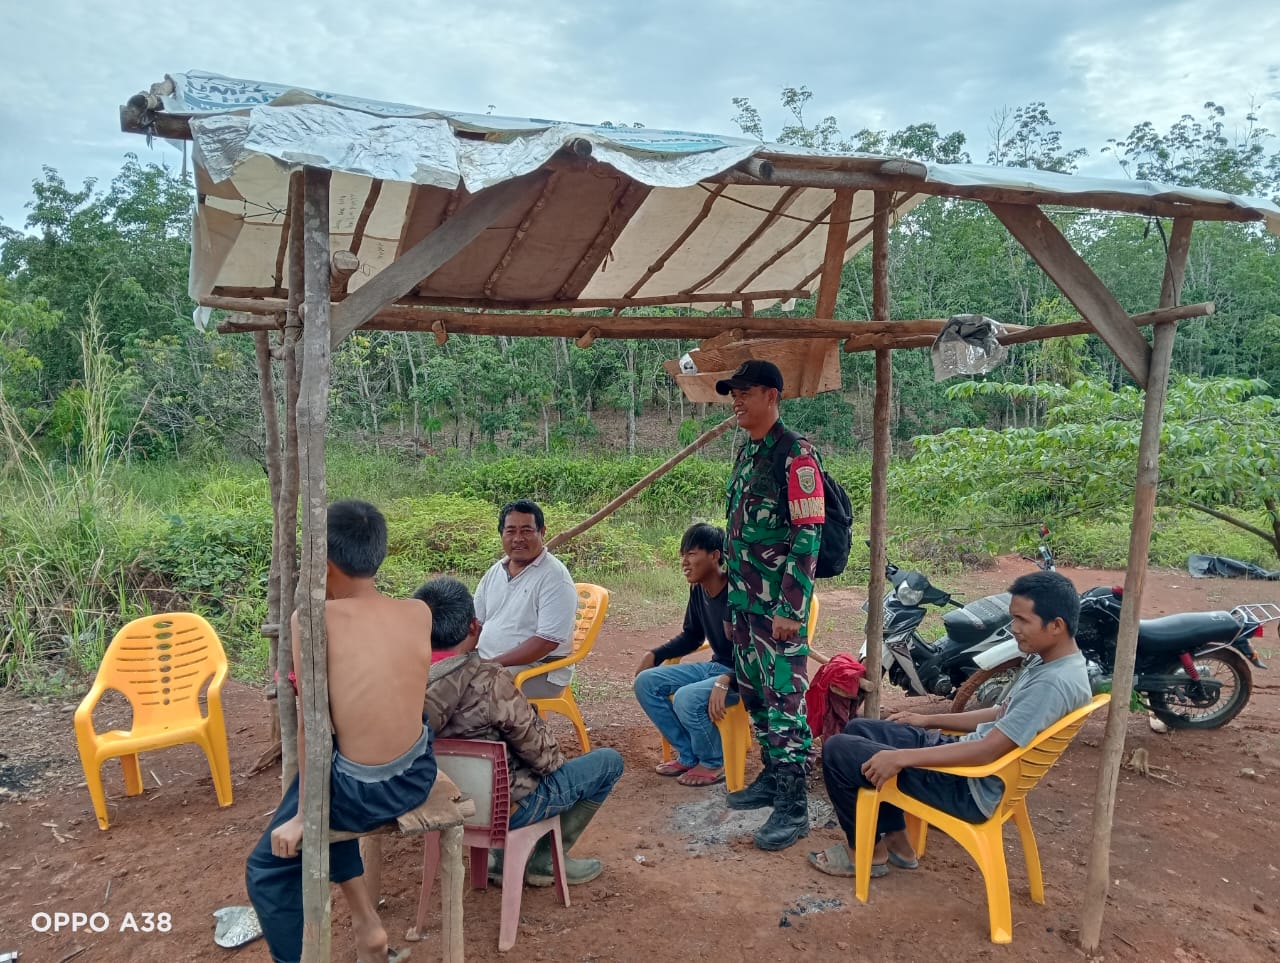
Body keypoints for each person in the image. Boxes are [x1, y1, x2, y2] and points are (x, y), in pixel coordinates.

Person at [245, 500, 436, 963]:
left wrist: (304, 816)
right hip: (416, 775)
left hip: (362, 795)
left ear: (322, 563)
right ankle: (367, 923)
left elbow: (312, 729)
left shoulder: (312, 621)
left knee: (266, 871)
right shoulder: (419, 612)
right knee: (339, 768)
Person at [811, 570, 1092, 879]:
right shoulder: (1055, 664)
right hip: (973, 767)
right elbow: (1000, 713)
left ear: (1056, 626)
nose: (1014, 628)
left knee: (838, 750)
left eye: (1022, 620)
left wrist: (901, 757)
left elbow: (987, 751)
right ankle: (897, 842)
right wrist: (927, 719)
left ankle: (867, 854)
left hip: (969, 787)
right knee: (860, 729)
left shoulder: (1051, 684)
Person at [418, 575, 624, 886]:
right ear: (474, 627)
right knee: (608, 762)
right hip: (508, 809)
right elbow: (544, 758)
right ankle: (546, 860)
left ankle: (498, 858)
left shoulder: (403, 678)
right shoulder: (489, 681)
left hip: (442, 806)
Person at [717, 359, 825, 851]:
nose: (737, 401)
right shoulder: (748, 452)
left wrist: (791, 609)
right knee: (755, 696)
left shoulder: (796, 455)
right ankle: (771, 775)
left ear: (772, 396)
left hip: (777, 609)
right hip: (745, 605)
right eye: (733, 393)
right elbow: (738, 531)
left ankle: (793, 806)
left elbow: (808, 537)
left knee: (784, 702)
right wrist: (732, 601)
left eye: (746, 392)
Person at [633, 522, 738, 787]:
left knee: (686, 697)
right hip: (716, 668)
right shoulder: (699, 590)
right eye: (683, 555)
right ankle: (689, 754)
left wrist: (727, 679)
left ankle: (713, 761)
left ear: (715, 555)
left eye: (691, 554)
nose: (684, 562)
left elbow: (757, 654)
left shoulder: (739, 595)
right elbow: (692, 636)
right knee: (646, 682)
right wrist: (655, 654)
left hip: (744, 676)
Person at [472, 499, 580, 698]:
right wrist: (458, 658)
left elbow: (546, 642)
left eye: (527, 531)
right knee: (439, 677)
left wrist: (492, 663)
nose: (518, 538)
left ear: (542, 532)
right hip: (488, 661)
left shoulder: (555, 578)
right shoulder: (496, 571)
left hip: (537, 670)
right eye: (511, 531)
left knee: (471, 692)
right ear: (501, 534)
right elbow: (475, 622)